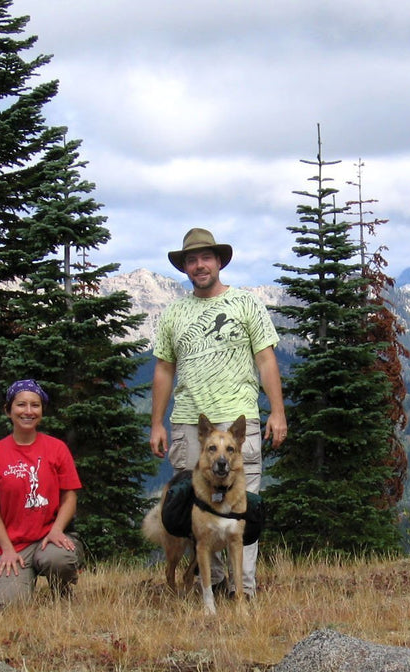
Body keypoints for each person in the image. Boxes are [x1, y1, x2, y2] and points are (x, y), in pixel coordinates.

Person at [150, 227, 287, 598]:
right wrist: (157, 423)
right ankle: (213, 584)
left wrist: (277, 411)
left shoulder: (246, 304)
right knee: (197, 508)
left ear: (219, 261)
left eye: (205, 258)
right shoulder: (174, 313)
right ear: (185, 267)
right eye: (191, 260)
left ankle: (243, 589)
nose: (199, 265)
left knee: (241, 510)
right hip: (190, 426)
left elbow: (265, 358)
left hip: (239, 421)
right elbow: (164, 368)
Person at [0, 379, 82, 607]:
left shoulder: (57, 448)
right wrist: (6, 549)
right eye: (21, 405)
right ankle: (11, 587)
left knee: (59, 559)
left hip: (48, 538)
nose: (28, 411)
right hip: (12, 544)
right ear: (8, 410)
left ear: (42, 411)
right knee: (10, 606)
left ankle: (61, 590)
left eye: (35, 405)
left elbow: (70, 496)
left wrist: (56, 530)